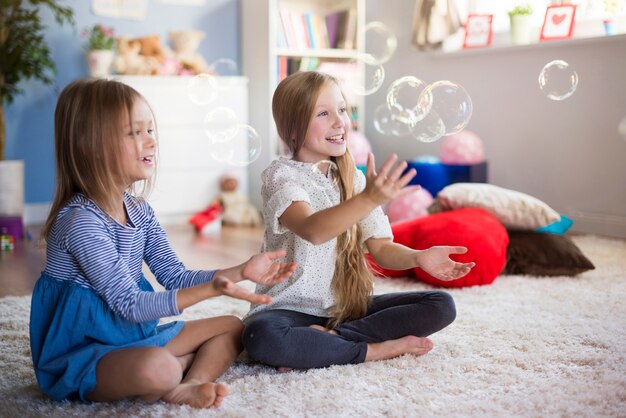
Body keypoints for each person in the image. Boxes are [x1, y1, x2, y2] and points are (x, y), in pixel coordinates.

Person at [29, 78, 297, 408]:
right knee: (157, 369)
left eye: (150, 130)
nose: (150, 142)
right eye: (133, 133)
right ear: (89, 145)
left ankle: (191, 381)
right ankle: (176, 371)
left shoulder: (139, 211)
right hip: (84, 354)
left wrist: (241, 270)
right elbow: (131, 305)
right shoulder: (80, 222)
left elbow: (174, 275)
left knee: (232, 326)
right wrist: (215, 289)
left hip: (132, 337)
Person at [242, 71, 475, 370]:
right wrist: (368, 199)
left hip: (344, 311)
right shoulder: (280, 176)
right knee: (259, 336)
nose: (340, 122)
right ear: (294, 128)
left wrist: (419, 257)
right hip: (288, 310)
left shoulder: (354, 180)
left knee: (441, 306)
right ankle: (374, 350)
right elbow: (313, 230)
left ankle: (330, 341)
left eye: (342, 109)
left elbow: (381, 248)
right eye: (324, 113)